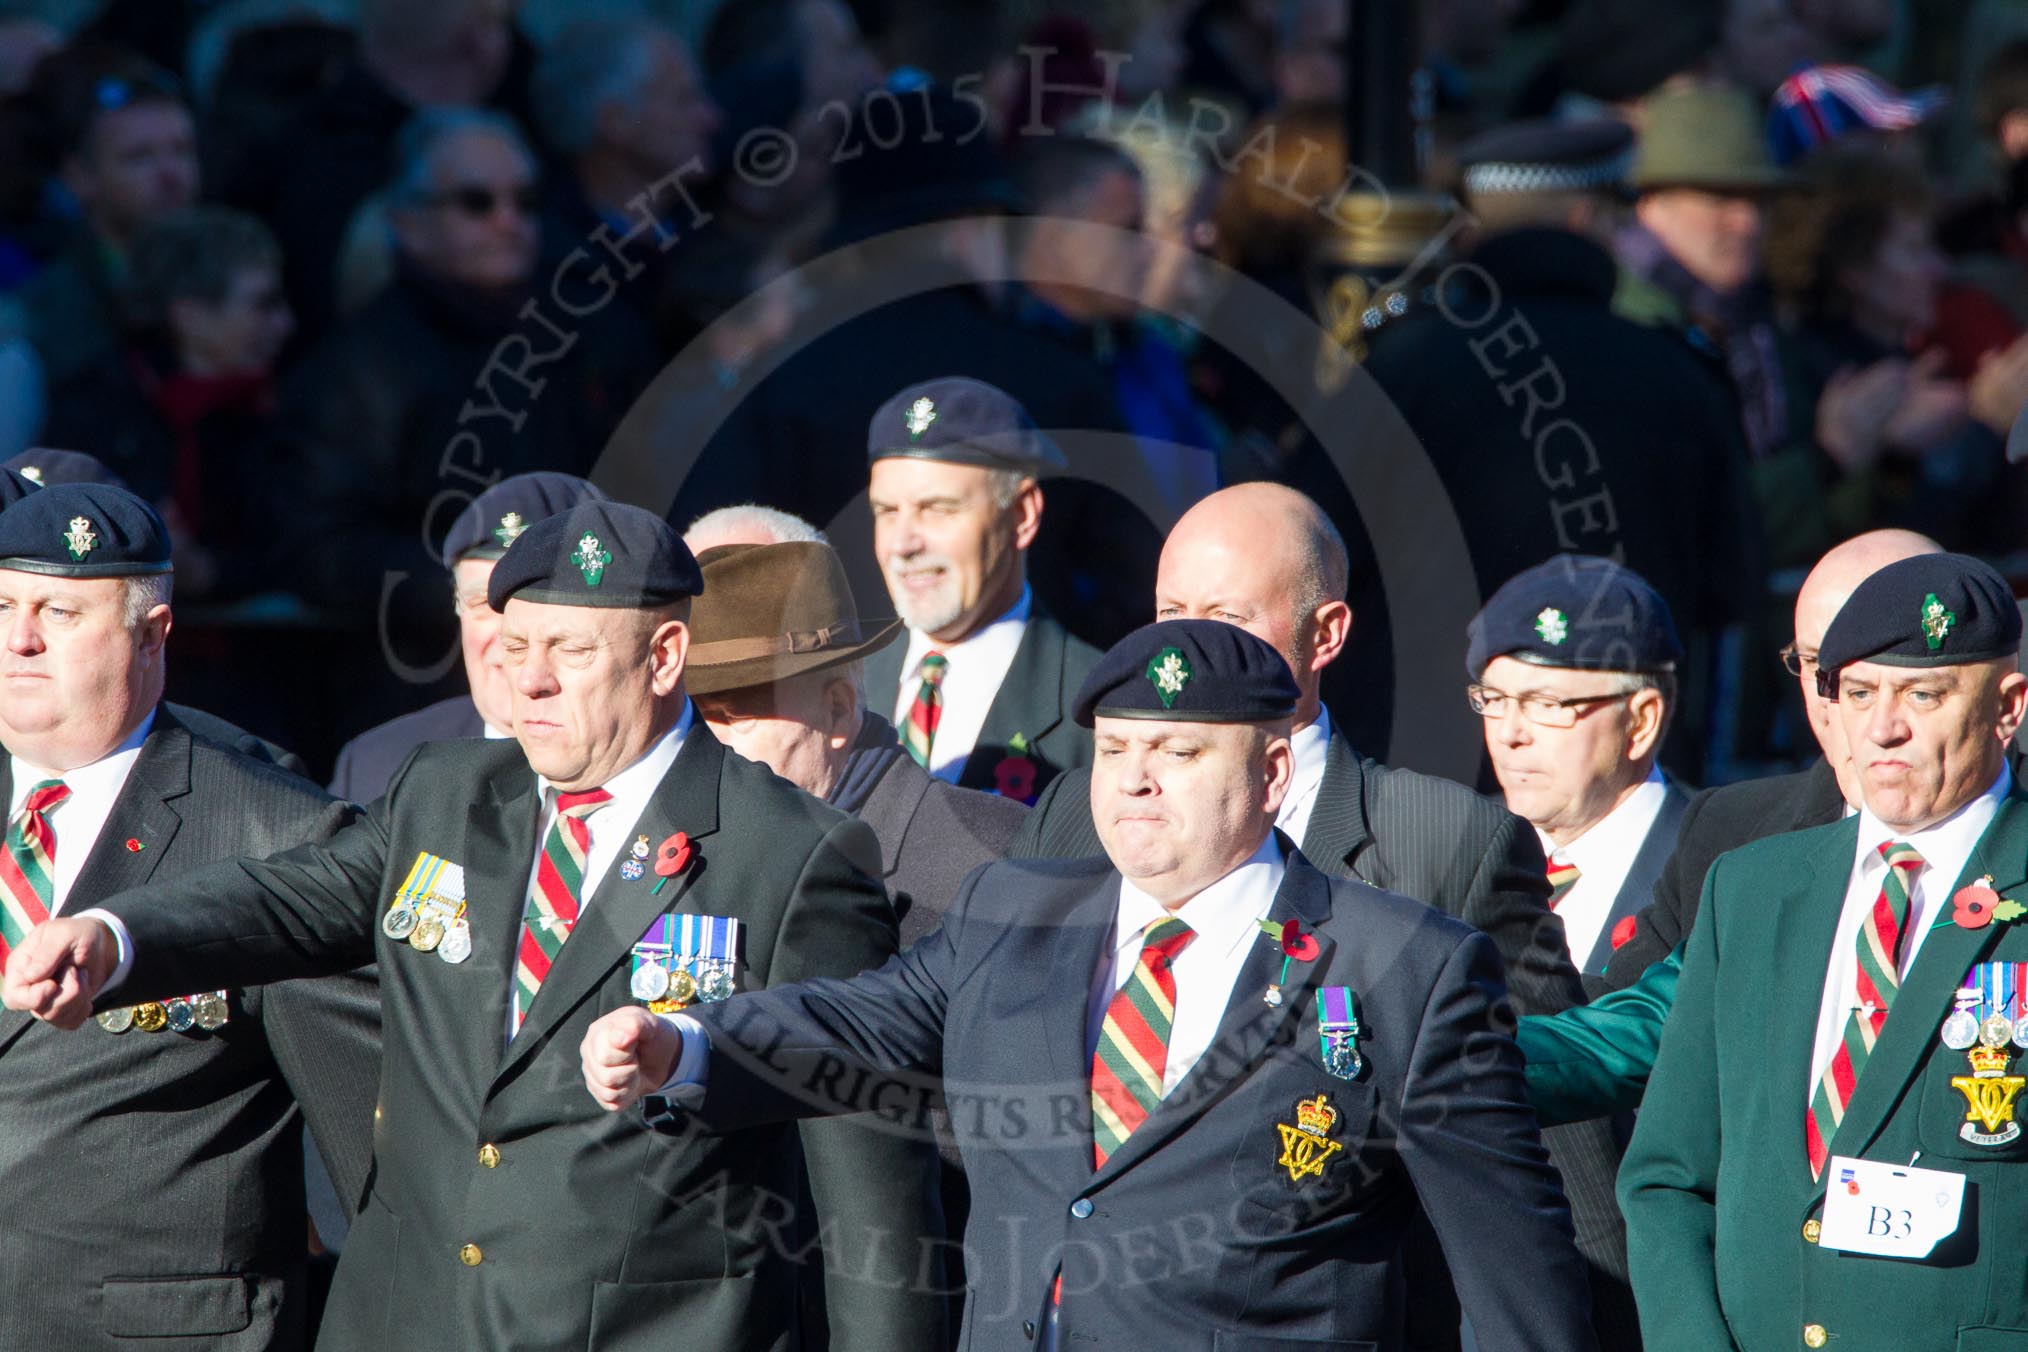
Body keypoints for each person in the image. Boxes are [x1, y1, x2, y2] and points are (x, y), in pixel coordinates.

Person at [3, 501, 946, 1352]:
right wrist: (119, 937)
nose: (527, 682)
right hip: (406, 1322)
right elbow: (286, 898)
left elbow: (872, 1187)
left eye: (570, 653)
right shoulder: (445, 794)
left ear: (664, 657)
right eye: (514, 644)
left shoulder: (790, 854)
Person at [581, 618, 1602, 1352]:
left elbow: (1517, 1273)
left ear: (1276, 771)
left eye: (1177, 750)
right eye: (1116, 749)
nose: (1135, 778)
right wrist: (690, 1044)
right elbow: (862, 1018)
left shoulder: (1405, 963)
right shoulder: (1012, 908)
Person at [1008, 482, 1624, 1349]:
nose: (1188, 645)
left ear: (1326, 633)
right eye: (1170, 611)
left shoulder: (1442, 845)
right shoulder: (1082, 811)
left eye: (1226, 616)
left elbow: (1562, 1159)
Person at [0, 481, 377, 1350]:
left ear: (152, 634)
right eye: (6, 604)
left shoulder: (276, 830)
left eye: (59, 611)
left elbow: (369, 1155)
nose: (20, 638)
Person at [1621, 551, 2028, 1352]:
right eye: (1860, 692)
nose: (1884, 727)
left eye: (1924, 693)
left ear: (2008, 707)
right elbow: (1667, 1176)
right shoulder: (1750, 889)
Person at [1356, 117, 1764, 778]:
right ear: (1585, 219)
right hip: (1620, 769)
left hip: (1414, 776)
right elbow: (1731, 598)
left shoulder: (1403, 365)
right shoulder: (1677, 371)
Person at [1518, 529, 1945, 1126]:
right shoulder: (1737, 838)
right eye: (1819, 666)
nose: (1848, 706)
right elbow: (1631, 1030)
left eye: (1894, 673)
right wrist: (1435, 1051)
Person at [274, 108, 651, 716]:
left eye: (524, 199)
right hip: (426, 686)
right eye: (476, 201)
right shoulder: (358, 366)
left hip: (596, 669)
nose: (508, 221)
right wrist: (477, 584)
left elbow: (649, 483)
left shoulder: (598, 333)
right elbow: (316, 544)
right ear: (408, 221)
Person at [686, 537, 1028, 945]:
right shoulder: (692, 846)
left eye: (735, 716)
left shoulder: (992, 859)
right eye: (694, 717)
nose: (706, 745)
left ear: (837, 711)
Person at [864, 377, 1102, 805]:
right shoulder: (843, 688)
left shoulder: (1097, 713)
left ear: (1022, 515)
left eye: (937, 509)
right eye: (887, 512)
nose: (903, 544)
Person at [40, 207, 294, 600]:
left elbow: (301, 548)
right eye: (263, 306)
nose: (284, 324)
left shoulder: (277, 412)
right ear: (189, 316)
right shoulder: (98, 408)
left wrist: (213, 571)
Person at [1468, 555, 1690, 982]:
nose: (1508, 733)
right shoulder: (1454, 846)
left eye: (1546, 704)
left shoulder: (1717, 870)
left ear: (1640, 722)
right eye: (1494, 700)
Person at [326, 471, 607, 805]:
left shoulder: (660, 762)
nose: (507, 632)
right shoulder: (380, 768)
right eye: (481, 603)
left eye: (531, 601)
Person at [1616, 83, 1791, 459]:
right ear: (1651, 203)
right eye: (1721, 198)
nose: (1747, 223)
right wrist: (1831, 456)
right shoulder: (1621, 324)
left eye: (1759, 203)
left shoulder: (1761, 319)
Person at [12, 53, 198, 388]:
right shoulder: (47, 318)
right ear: (78, 177)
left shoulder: (239, 274)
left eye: (182, 149)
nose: (172, 174)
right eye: (139, 157)